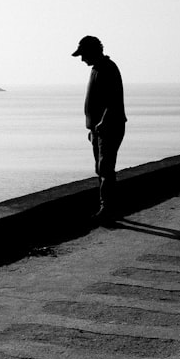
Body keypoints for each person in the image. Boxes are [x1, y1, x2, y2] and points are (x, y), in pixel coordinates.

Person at [72, 35, 126, 222]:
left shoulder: (107, 68)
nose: (82, 59)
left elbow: (113, 99)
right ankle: (106, 206)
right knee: (101, 168)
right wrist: (92, 129)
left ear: (92, 51)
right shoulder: (96, 69)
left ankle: (108, 209)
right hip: (98, 130)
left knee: (105, 168)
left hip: (109, 128)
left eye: (83, 54)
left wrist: (103, 122)